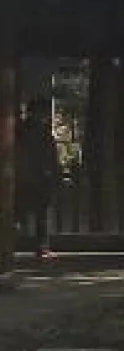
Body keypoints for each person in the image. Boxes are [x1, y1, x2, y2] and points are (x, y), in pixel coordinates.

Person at [14, 100, 62, 259]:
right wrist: (52, 173)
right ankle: (41, 247)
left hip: (25, 177)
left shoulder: (20, 130)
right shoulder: (41, 133)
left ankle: (34, 245)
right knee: (39, 214)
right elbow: (50, 156)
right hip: (38, 178)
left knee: (21, 212)